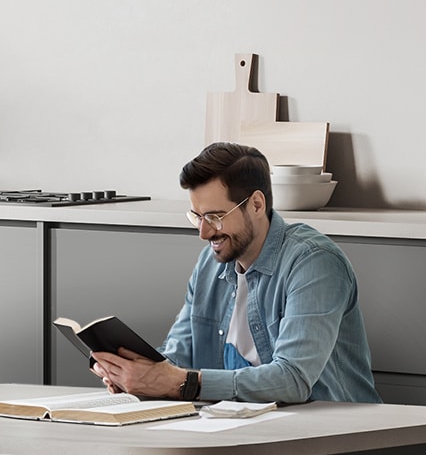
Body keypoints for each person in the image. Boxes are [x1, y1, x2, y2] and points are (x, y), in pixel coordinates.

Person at [92, 142, 382, 405]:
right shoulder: (210, 263)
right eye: (197, 217)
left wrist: (179, 382)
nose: (204, 232)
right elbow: (178, 356)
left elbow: (293, 379)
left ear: (257, 204)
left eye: (215, 217)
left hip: (333, 436)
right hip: (238, 428)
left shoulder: (314, 262)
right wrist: (134, 374)